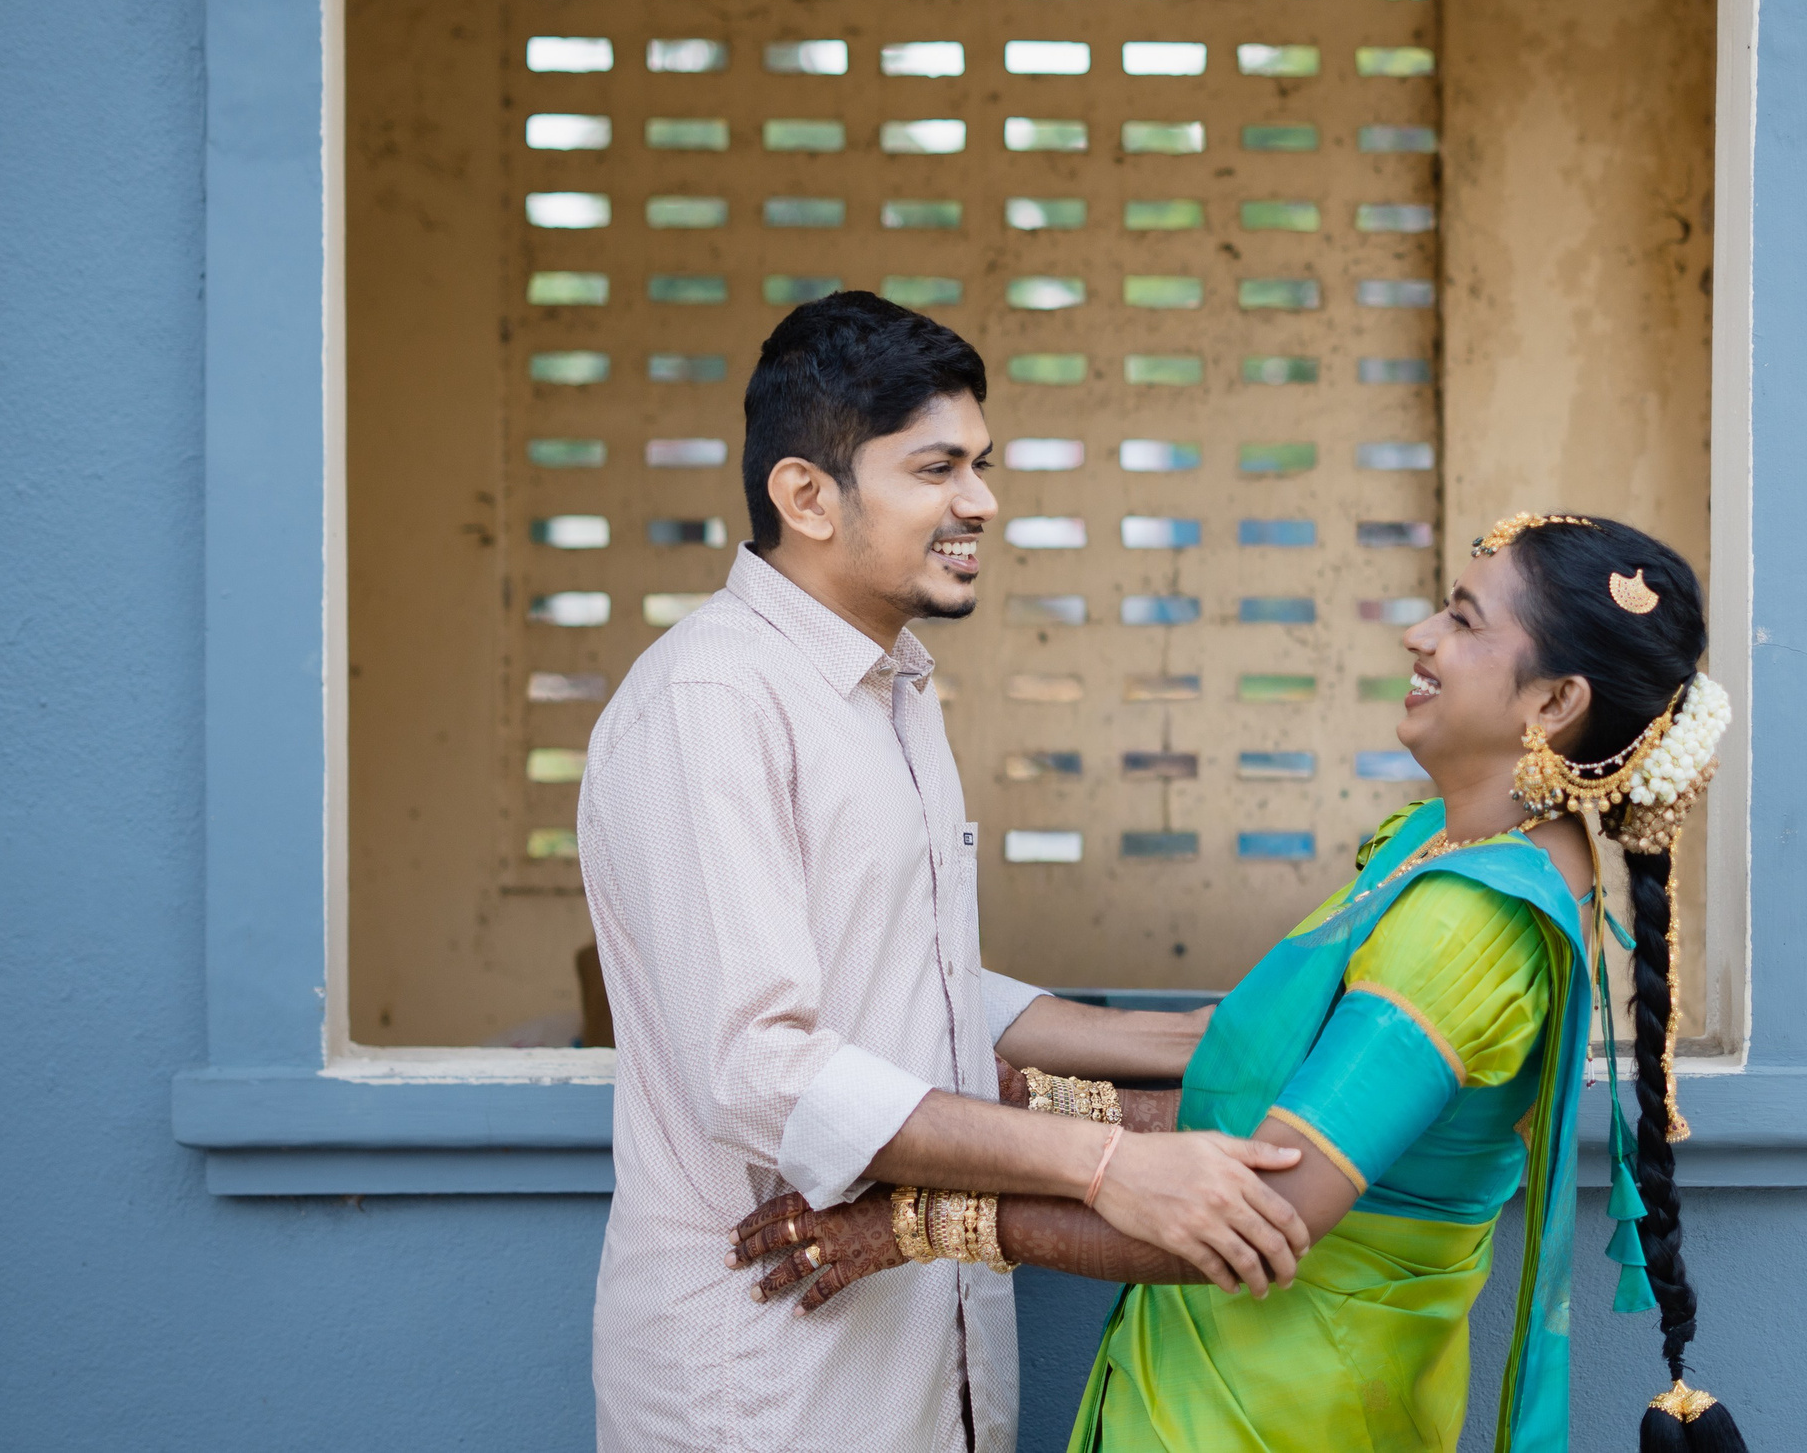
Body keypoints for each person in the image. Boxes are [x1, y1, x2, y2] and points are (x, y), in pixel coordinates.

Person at [730, 512, 1740, 1453]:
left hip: (1272, 1406)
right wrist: (1035, 1099)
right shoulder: (1440, 842)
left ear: (1553, 703)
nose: (1419, 635)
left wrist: (914, 1224)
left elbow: (1254, 1209)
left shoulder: (1467, 925)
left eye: (1464, 621)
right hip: (1245, 1377)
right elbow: (1270, 1083)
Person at [577, 293, 1315, 1453]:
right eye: (936, 468)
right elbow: (761, 1068)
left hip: (925, 1352)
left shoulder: (892, 684)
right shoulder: (709, 703)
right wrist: (1108, 1163)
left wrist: (1188, 1041)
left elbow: (900, 972)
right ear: (807, 495)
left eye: (980, 464)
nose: (980, 501)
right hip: (769, 1371)